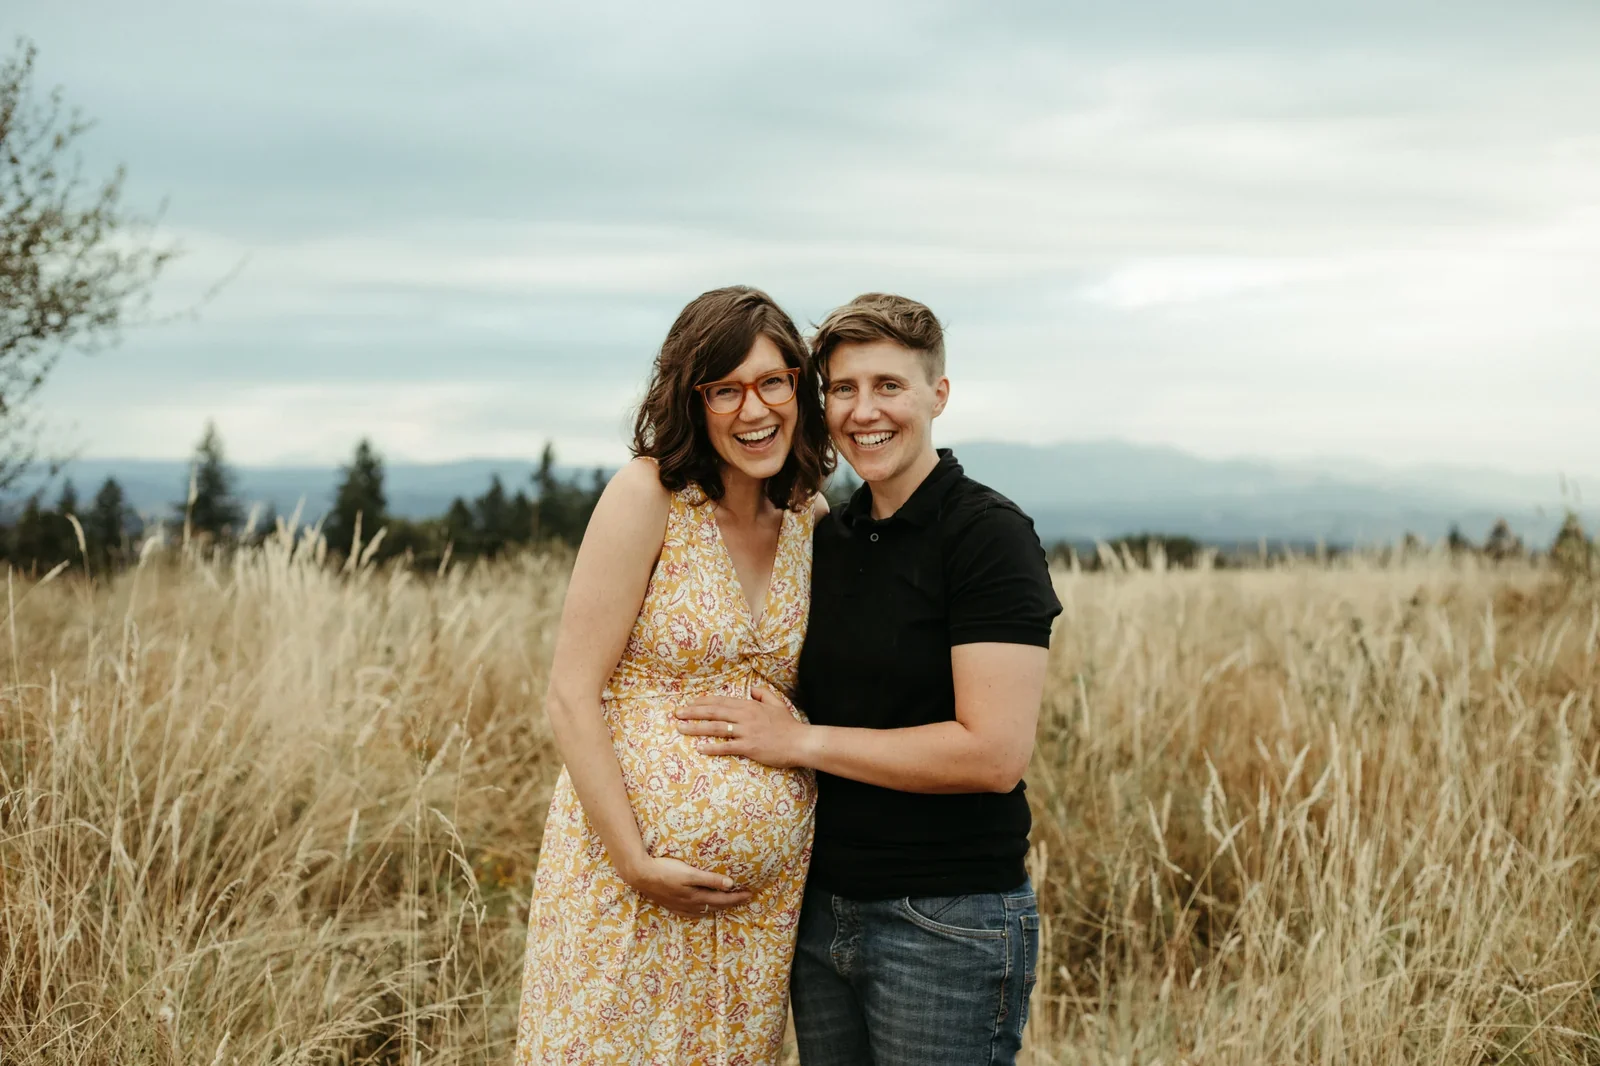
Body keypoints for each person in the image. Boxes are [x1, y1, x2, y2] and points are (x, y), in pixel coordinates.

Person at [676, 293, 1062, 1066]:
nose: (864, 412)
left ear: (937, 396)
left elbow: (993, 754)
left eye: (889, 386)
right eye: (844, 389)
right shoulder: (829, 535)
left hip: (945, 921)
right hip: (821, 914)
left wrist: (799, 743)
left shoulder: (987, 536)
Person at [515, 285, 833, 1065]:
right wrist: (635, 861)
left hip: (754, 917)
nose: (752, 408)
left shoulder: (808, 518)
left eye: (772, 381)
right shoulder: (650, 494)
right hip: (624, 883)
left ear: (799, 386)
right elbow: (570, 692)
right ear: (693, 400)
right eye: (725, 388)